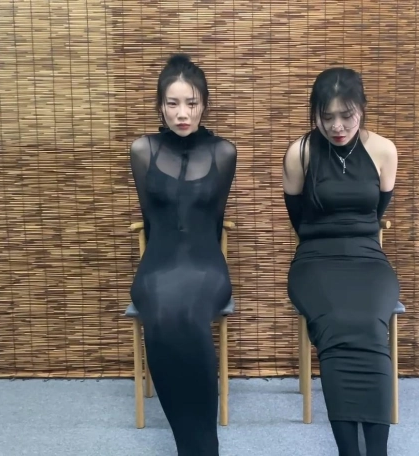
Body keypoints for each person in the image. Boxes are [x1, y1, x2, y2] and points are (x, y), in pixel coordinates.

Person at [282, 67, 400, 456]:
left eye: (346, 115)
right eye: (326, 116)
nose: (336, 126)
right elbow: (299, 219)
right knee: (336, 326)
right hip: (315, 260)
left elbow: (376, 213)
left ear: (362, 109)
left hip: (368, 259)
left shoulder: (384, 151)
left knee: (370, 327)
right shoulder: (299, 153)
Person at [129, 53, 237, 456]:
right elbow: (150, 218)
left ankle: (204, 445)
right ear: (160, 105)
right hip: (158, 262)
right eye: (172, 103)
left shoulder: (224, 152)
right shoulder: (143, 150)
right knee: (160, 311)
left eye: (191, 103)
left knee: (188, 313)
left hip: (206, 263)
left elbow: (215, 219)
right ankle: (189, 444)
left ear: (204, 104)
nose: (182, 113)